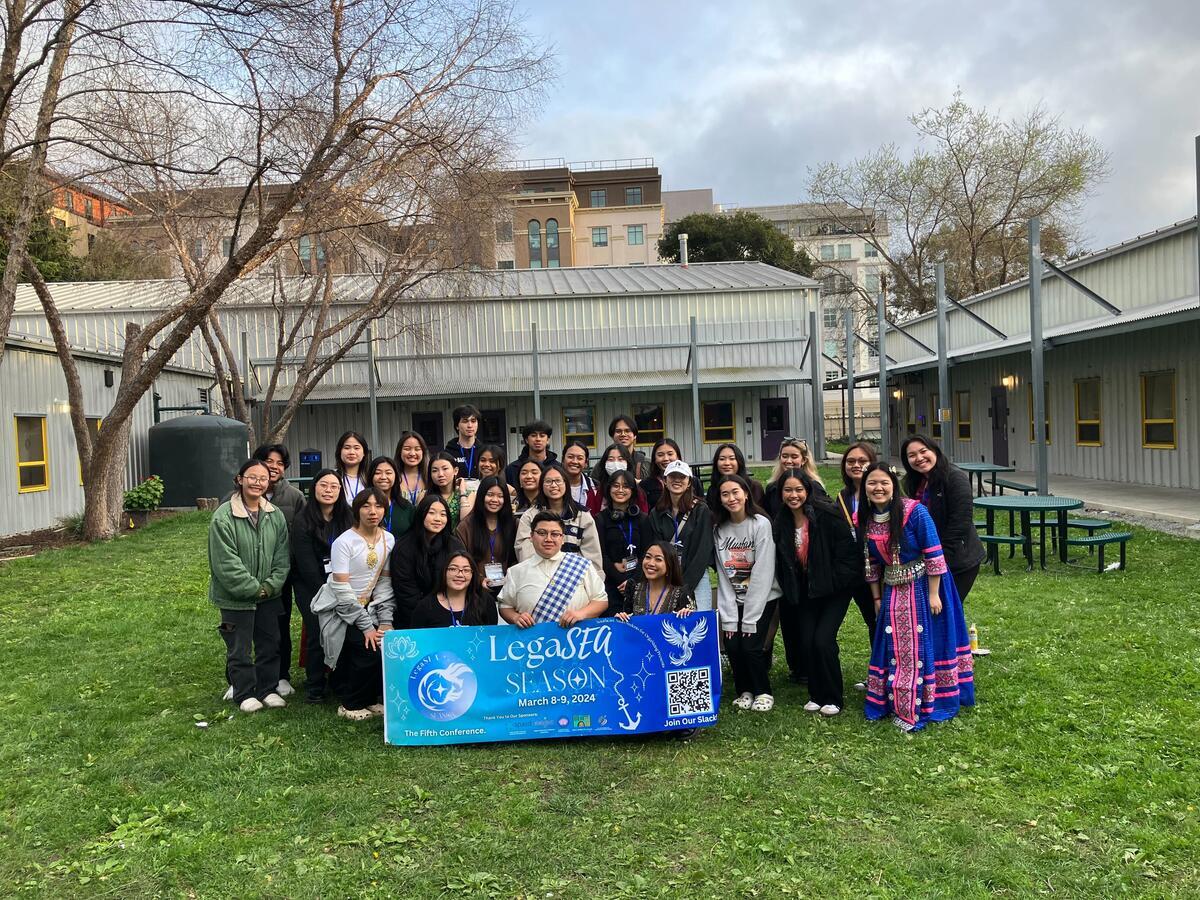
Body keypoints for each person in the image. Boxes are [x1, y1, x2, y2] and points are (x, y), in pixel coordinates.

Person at [857, 463, 975, 732]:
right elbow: (871, 565)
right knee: (894, 642)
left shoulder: (915, 512)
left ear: (893, 485)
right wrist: (876, 599)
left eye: (884, 483)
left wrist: (934, 594)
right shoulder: (864, 517)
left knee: (924, 642)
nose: (878, 488)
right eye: (872, 483)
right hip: (892, 589)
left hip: (924, 586)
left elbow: (934, 553)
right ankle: (892, 697)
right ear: (864, 488)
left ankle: (923, 699)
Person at [773, 469, 860, 716]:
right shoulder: (781, 521)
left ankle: (833, 697)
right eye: (788, 490)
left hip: (834, 590)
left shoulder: (826, 515)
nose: (793, 495)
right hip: (805, 591)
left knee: (823, 640)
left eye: (799, 489)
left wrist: (833, 581)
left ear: (808, 491)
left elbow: (848, 556)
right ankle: (816, 693)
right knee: (807, 641)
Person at [208, 458, 291, 714]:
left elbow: (282, 556)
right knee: (239, 648)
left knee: (270, 644)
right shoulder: (223, 516)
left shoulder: (274, 515)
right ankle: (244, 693)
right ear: (240, 479)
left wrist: (269, 586)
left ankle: (268, 689)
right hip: (235, 598)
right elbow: (225, 562)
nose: (257, 482)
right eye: (252, 477)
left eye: (263, 478)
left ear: (269, 483)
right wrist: (253, 588)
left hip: (269, 595)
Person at [310, 487, 396, 721]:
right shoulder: (343, 542)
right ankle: (350, 703)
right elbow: (341, 588)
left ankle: (369, 699)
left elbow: (384, 582)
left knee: (380, 646)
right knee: (365, 648)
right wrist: (366, 625)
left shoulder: (388, 539)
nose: (372, 511)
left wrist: (385, 620)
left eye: (378, 506)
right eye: (366, 506)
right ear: (356, 510)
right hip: (340, 608)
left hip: (371, 606)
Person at [713, 474, 781, 713]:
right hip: (734, 596)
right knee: (733, 644)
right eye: (725, 494)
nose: (731, 498)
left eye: (735, 492)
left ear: (745, 494)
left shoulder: (761, 524)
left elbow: (763, 572)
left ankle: (763, 691)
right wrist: (731, 615)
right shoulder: (719, 529)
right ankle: (745, 691)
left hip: (763, 597)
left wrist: (749, 618)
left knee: (751, 645)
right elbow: (722, 574)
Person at [900, 435, 987, 605]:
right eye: (912, 455)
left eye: (923, 451)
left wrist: (937, 560)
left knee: (947, 610)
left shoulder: (955, 478)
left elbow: (960, 524)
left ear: (935, 451)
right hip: (925, 560)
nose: (919, 458)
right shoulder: (912, 482)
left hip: (957, 560)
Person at [289, 468, 352, 704]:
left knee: (344, 627)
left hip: (341, 582)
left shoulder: (347, 517)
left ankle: (339, 680)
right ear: (314, 488)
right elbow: (306, 566)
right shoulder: (302, 520)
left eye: (334, 486)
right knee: (318, 630)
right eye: (323, 485)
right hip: (310, 585)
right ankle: (315, 685)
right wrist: (329, 595)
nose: (328, 490)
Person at [249, 443, 305, 698]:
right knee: (243, 627)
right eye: (268, 461)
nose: (274, 467)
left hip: (281, 575)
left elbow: (302, 536)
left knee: (279, 626)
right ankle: (240, 677)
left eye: (280, 463)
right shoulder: (237, 496)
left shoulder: (294, 497)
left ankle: (281, 675)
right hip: (247, 575)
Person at [499, 512, 609, 629]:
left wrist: (580, 614)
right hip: (534, 643)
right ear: (531, 536)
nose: (548, 539)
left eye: (555, 534)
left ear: (562, 538)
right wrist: (515, 618)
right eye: (542, 533)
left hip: (578, 640)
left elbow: (601, 600)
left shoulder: (582, 565)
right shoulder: (516, 572)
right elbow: (505, 606)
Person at [390, 493, 465, 628]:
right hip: (413, 617)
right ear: (421, 514)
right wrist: (431, 617)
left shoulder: (454, 545)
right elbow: (406, 592)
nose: (438, 519)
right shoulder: (404, 547)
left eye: (443, 514)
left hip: (450, 613)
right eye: (432, 513)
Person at [835, 442, 880, 660]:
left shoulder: (880, 491)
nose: (856, 465)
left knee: (881, 620)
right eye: (851, 461)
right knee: (871, 619)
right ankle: (877, 671)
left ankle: (886, 671)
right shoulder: (843, 497)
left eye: (862, 461)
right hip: (857, 570)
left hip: (881, 566)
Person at [650, 460, 715, 611]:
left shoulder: (701, 510)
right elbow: (656, 547)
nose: (677, 480)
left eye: (682, 477)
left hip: (696, 578)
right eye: (672, 477)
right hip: (665, 577)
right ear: (665, 481)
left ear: (689, 482)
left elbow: (703, 551)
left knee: (699, 622)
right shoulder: (656, 513)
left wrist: (685, 587)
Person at [514, 463, 603, 572]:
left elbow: (592, 558)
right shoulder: (529, 516)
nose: (554, 485)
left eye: (558, 481)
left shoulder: (582, 516)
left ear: (566, 483)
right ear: (541, 485)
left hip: (575, 577)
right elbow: (525, 554)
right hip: (539, 577)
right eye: (548, 481)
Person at [596, 470, 654, 609]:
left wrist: (632, 581)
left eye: (626, 486)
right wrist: (620, 579)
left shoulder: (643, 519)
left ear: (633, 491)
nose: (620, 490)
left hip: (639, 583)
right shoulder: (600, 519)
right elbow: (600, 555)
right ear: (609, 489)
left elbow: (647, 553)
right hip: (610, 585)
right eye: (616, 485)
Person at [455, 475, 517, 596]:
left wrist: (511, 577)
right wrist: (478, 579)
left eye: (500, 496)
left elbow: (518, 558)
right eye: (490, 495)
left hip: (508, 589)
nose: (495, 500)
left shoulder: (514, 524)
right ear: (481, 496)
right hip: (474, 590)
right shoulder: (466, 526)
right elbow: (460, 560)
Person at [410, 551, 500, 628]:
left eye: (466, 570)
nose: (460, 574)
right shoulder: (426, 606)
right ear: (444, 572)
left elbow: (491, 638)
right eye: (453, 569)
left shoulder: (486, 602)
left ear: (473, 574)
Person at [616, 541, 695, 620]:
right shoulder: (633, 589)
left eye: (658, 559)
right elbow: (627, 626)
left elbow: (692, 627)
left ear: (670, 565)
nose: (651, 563)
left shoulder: (682, 594)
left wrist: (689, 616)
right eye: (648, 557)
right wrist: (619, 620)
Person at [763, 437, 824, 519]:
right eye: (784, 456)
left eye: (794, 457)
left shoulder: (815, 487)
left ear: (804, 460)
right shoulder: (772, 489)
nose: (788, 461)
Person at [639, 437, 702, 510]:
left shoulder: (694, 481)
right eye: (660, 455)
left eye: (670, 454)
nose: (666, 458)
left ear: (677, 456)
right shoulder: (646, 485)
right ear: (654, 459)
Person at [366, 455, 415, 540]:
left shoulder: (406, 507)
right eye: (377, 473)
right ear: (371, 476)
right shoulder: (362, 507)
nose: (383, 477)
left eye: (388, 473)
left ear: (396, 476)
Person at [705, 443, 765, 511]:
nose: (727, 463)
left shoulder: (754, 487)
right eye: (722, 459)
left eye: (732, 458)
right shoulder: (713, 490)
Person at [591, 442, 649, 513]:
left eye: (620, 459)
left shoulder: (638, 492)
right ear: (604, 463)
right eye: (611, 459)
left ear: (627, 462)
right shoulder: (596, 492)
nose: (616, 463)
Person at [504, 420, 556, 486]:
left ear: (548, 440)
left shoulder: (557, 467)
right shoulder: (512, 469)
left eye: (542, 436)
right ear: (526, 440)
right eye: (533, 435)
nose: (538, 439)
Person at [428, 451, 468, 529]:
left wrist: (462, 493)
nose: (440, 474)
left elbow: (465, 521)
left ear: (455, 471)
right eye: (435, 470)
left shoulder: (468, 494)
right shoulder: (424, 495)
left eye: (445, 469)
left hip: (458, 540)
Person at [561, 440, 600, 514]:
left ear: (586, 463)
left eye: (580, 458)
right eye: (570, 457)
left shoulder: (595, 487)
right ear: (563, 459)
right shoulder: (553, 486)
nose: (575, 461)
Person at [445, 404, 482, 479]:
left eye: (473, 421)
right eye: (465, 421)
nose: (470, 425)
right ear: (457, 426)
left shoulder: (484, 451)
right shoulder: (448, 453)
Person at [607, 414, 649, 479]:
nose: (623, 434)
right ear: (612, 436)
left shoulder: (646, 464)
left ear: (635, 435)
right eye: (618, 431)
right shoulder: (603, 464)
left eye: (627, 431)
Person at [334, 431, 370, 506]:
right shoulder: (333, 478)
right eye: (347, 448)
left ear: (364, 453)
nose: (351, 452)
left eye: (356, 448)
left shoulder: (371, 478)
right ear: (339, 452)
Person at [393, 431, 428, 506]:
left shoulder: (430, 476)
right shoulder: (392, 477)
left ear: (423, 452)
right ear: (400, 451)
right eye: (407, 449)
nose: (412, 453)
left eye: (417, 449)